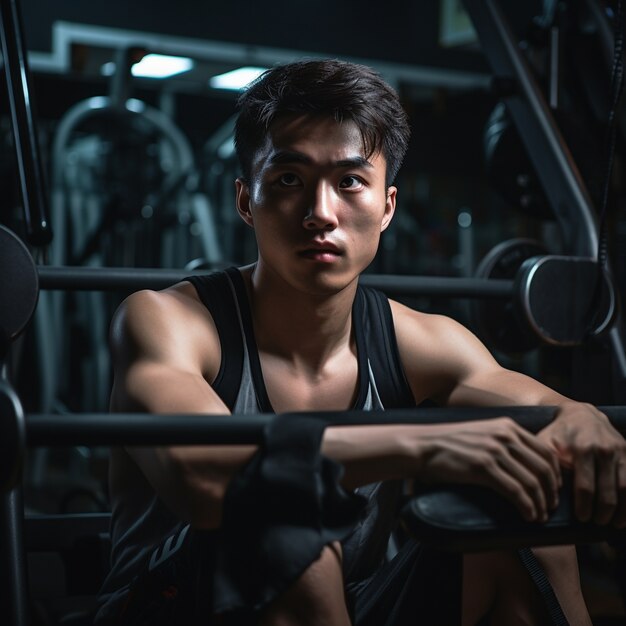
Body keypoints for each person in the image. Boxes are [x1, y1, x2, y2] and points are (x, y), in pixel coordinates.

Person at [95, 59, 626, 626]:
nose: (321, 214)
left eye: (349, 181)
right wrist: (422, 446)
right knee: (288, 527)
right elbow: (204, 478)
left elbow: (527, 405)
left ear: (387, 207)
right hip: (174, 605)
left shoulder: (419, 340)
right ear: (247, 201)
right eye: (289, 180)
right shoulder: (165, 321)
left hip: (350, 608)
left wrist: (579, 417)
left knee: (523, 510)